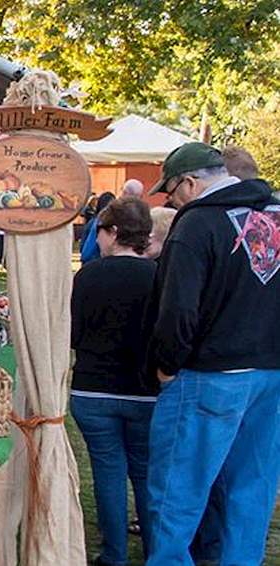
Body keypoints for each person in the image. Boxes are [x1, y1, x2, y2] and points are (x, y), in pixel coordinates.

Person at [143, 142, 280, 565]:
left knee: (175, 495)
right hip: (271, 373)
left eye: (171, 191)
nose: (171, 200)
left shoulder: (196, 224)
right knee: (251, 493)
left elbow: (178, 309)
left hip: (210, 374)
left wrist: (166, 365)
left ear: (188, 182)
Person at [69, 196, 158, 566]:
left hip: (94, 388)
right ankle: (155, 550)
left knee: (108, 473)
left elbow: (72, 334)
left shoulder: (88, 276)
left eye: (100, 231)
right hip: (145, 391)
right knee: (145, 473)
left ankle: (114, 554)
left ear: (114, 232)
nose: (97, 239)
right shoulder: (160, 276)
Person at [81, 180, 142, 263]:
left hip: (102, 264)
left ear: (124, 193)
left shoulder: (108, 215)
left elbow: (87, 252)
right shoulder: (142, 218)